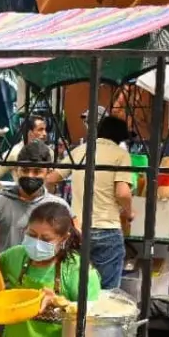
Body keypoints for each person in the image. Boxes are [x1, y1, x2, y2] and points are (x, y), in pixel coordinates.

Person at [0, 202, 101, 337]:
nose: (36, 242)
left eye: (45, 238)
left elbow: (94, 319)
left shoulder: (79, 270)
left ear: (64, 238)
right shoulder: (15, 256)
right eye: (31, 234)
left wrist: (60, 303)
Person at [46, 115, 134, 291]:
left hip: (78, 230)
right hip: (107, 229)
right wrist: (129, 212)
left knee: (77, 289)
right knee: (106, 293)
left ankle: (80, 319)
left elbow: (51, 179)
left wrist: (54, 196)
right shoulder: (121, 155)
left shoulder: (80, 151)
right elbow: (123, 193)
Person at [0, 141, 69, 270]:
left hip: (46, 283)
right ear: (16, 170)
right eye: (25, 170)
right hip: (6, 282)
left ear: (48, 172)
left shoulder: (60, 208)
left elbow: (70, 246)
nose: (30, 176)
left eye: (37, 171)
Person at [0, 114, 48, 192]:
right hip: (25, 201)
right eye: (40, 130)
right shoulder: (15, 152)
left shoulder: (47, 151)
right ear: (29, 132)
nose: (45, 133)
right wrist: (11, 197)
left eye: (45, 130)